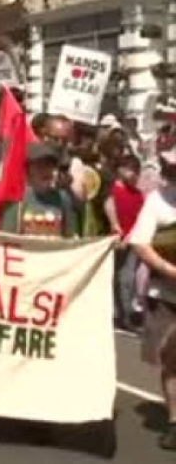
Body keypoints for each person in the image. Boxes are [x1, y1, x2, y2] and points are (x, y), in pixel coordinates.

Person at [129, 148, 176, 450]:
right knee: (172, 360)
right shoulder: (157, 201)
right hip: (167, 293)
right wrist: (170, 270)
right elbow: (140, 242)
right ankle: (175, 421)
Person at [0, 143, 79, 238]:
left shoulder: (63, 199)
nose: (45, 171)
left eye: (49, 165)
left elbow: (70, 238)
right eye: (39, 166)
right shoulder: (17, 201)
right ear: (28, 172)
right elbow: (7, 238)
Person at [108, 154, 146, 330]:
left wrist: (128, 238)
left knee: (126, 279)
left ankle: (125, 316)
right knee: (110, 277)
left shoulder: (138, 195)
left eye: (137, 171)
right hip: (111, 241)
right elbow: (108, 209)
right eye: (132, 170)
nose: (135, 175)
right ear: (121, 170)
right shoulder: (112, 190)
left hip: (130, 243)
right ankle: (113, 313)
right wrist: (116, 231)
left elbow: (140, 220)